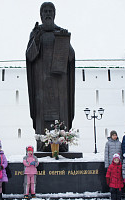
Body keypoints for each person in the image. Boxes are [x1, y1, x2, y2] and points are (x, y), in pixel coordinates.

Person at [26, 2, 75, 152]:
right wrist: (37, 39)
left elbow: (71, 57)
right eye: (45, 11)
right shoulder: (36, 33)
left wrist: (65, 41)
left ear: (54, 14)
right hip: (41, 82)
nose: (47, 14)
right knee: (43, 112)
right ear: (41, 15)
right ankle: (43, 144)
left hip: (60, 83)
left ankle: (62, 144)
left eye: (50, 11)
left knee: (61, 112)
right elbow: (30, 55)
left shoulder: (60, 32)